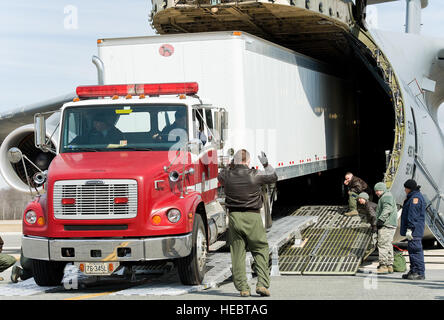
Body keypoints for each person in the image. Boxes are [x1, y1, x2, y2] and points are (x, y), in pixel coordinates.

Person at [217, 149, 277, 297]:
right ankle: (262, 284)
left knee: (237, 253)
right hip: (253, 217)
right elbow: (273, 176)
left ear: (234, 161)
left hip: (234, 218)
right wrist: (266, 163)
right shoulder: (255, 175)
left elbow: (220, 174)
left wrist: (231, 164)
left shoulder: (226, 175)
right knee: (260, 249)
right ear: (249, 161)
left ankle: (243, 288)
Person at [400, 179, 426, 280]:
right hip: (414, 229)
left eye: (405, 188)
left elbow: (413, 215)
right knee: (412, 250)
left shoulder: (415, 198)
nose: (404, 190)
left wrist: (410, 228)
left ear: (409, 188)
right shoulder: (413, 197)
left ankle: (419, 272)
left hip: (414, 230)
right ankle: (414, 270)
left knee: (415, 251)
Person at [374, 182, 398, 274]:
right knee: (388, 244)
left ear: (382, 189)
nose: (376, 192)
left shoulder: (386, 197)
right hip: (390, 224)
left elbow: (387, 209)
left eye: (378, 190)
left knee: (382, 244)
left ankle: (383, 265)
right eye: (375, 191)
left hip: (386, 225)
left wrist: (380, 220)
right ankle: (389, 265)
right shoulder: (387, 196)